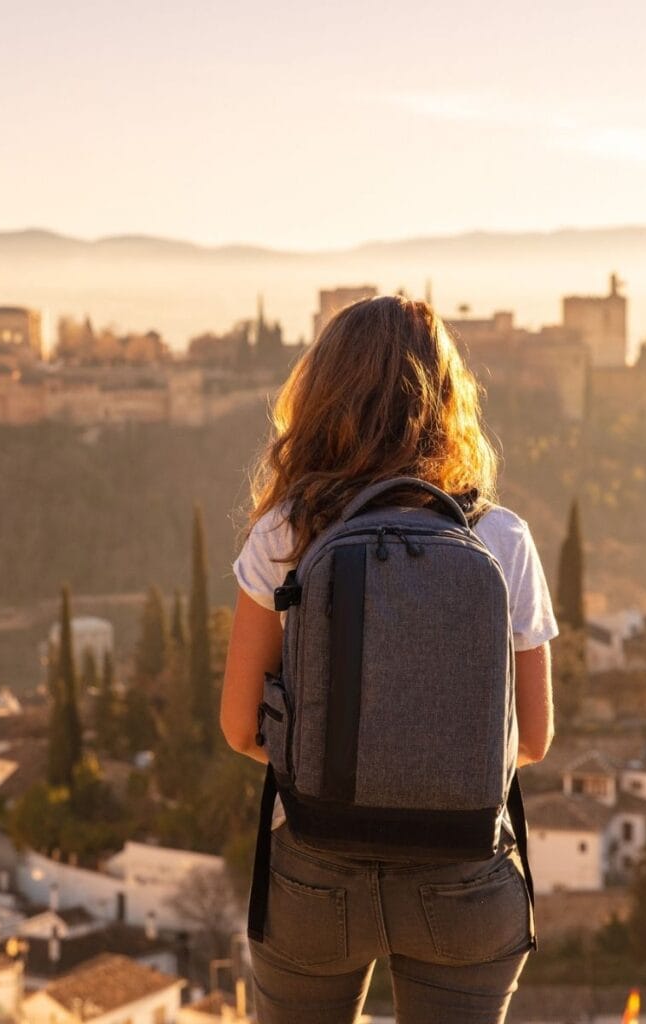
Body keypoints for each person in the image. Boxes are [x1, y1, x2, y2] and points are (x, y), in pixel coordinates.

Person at [220, 295, 558, 1024]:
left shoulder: (286, 531)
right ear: (448, 400)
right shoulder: (501, 538)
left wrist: (340, 770)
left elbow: (241, 726)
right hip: (465, 879)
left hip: (315, 868)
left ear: (322, 395)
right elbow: (531, 741)